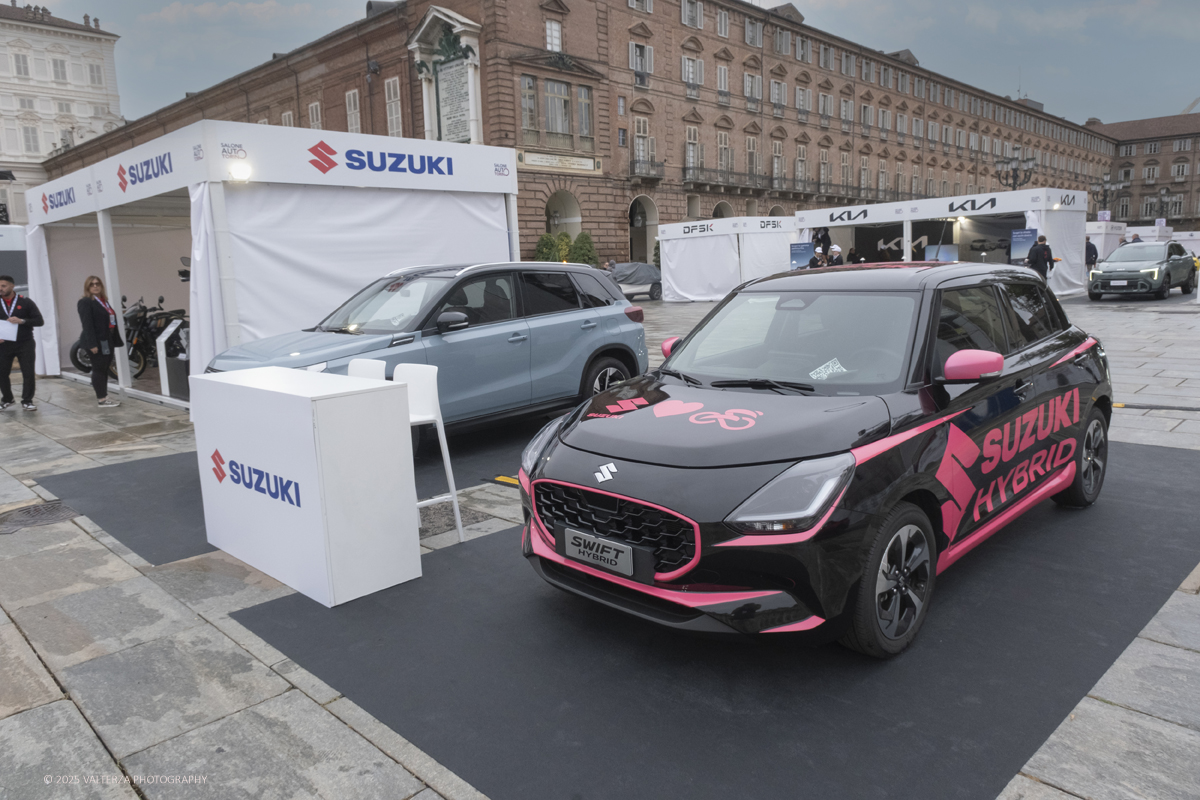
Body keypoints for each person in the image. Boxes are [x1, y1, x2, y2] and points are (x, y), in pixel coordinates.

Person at [0, 275, 44, 411]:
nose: (0, 288)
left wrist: (22, 321)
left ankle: (27, 400)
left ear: (12, 286)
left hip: (25, 343)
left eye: (3, 286)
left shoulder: (26, 302)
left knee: (28, 372)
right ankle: (7, 398)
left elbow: (39, 321)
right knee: (2, 373)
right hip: (3, 344)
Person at [77, 275, 122, 407]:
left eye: (97, 284)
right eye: (92, 284)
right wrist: (92, 344)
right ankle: (102, 399)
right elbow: (87, 324)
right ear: (87, 287)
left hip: (108, 339)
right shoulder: (85, 302)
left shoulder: (103, 301)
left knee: (104, 369)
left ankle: (104, 395)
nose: (95, 286)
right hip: (97, 341)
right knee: (98, 369)